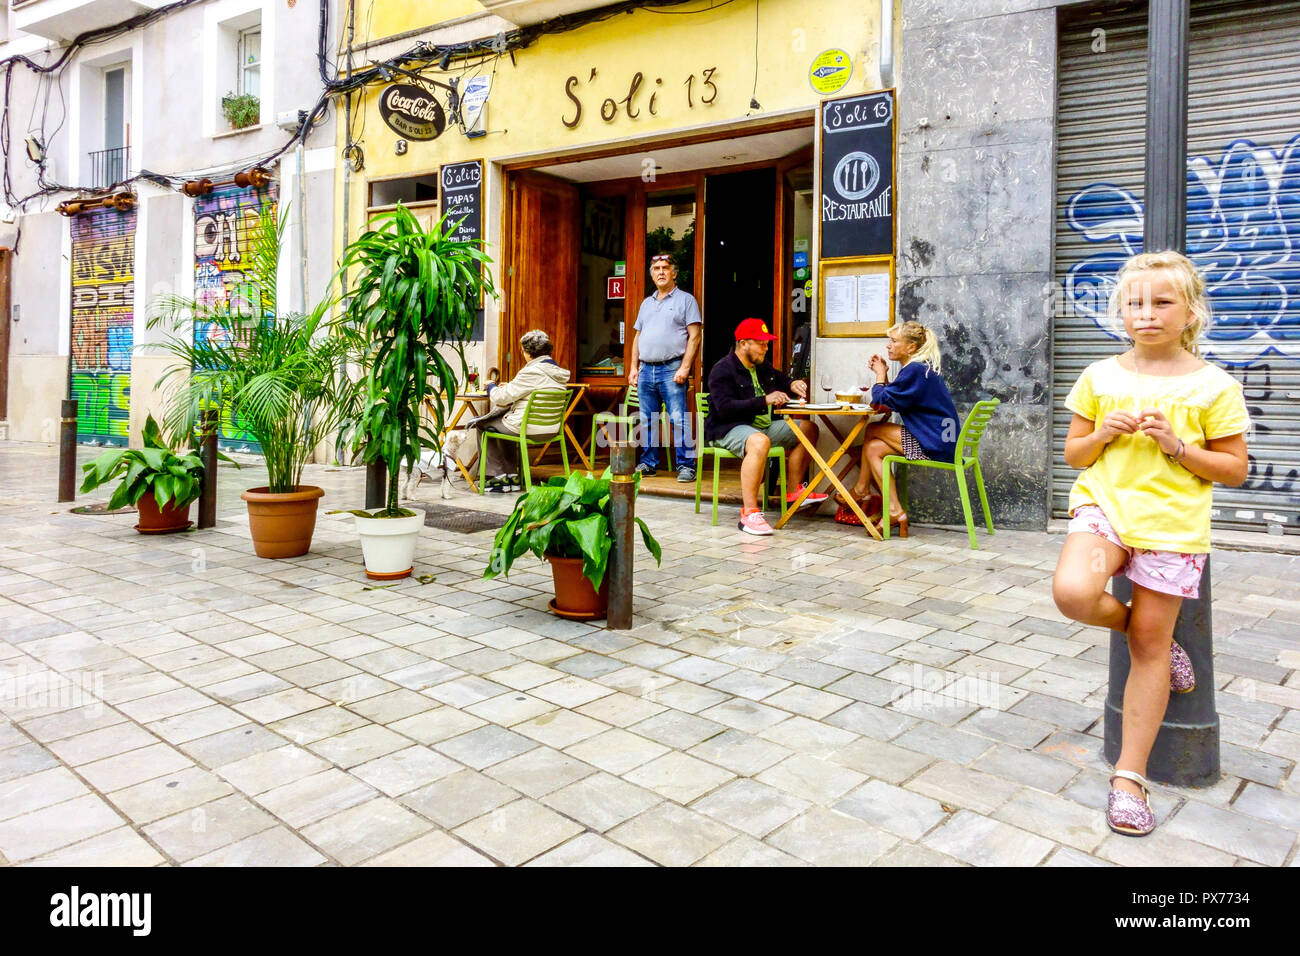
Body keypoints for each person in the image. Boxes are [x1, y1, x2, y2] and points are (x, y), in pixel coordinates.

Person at [1052, 250, 1249, 837]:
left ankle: (1128, 777)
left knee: (1149, 652)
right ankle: (1141, 629)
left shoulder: (1215, 385)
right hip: (1104, 508)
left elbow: (1235, 469)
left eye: (1162, 302)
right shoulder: (1099, 376)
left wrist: (1179, 448)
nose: (1147, 314)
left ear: (1191, 311)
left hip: (1173, 527)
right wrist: (1103, 435)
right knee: (1073, 591)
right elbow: (1073, 454)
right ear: (1120, 311)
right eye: (1134, 303)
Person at [704, 318, 829, 536]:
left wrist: (791, 383)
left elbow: (779, 378)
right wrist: (765, 401)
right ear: (743, 344)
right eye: (761, 343)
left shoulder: (761, 366)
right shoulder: (722, 370)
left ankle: (793, 491)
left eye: (767, 343)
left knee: (808, 429)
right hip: (728, 427)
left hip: (760, 427)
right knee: (760, 442)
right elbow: (724, 409)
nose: (766, 347)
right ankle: (749, 513)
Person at [842, 320, 960, 536]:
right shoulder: (919, 368)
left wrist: (879, 375)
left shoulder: (914, 369)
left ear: (911, 348)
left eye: (894, 341)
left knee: (872, 431)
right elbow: (890, 401)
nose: (888, 346)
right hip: (941, 440)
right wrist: (885, 374)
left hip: (934, 443)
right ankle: (895, 511)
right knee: (873, 448)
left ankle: (861, 490)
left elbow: (879, 397)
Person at [444, 330, 571, 491]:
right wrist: (509, 386)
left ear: (527, 352)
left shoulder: (531, 371)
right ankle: (512, 476)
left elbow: (500, 398)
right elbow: (527, 389)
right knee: (503, 425)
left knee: (484, 425)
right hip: (551, 430)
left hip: (527, 428)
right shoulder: (558, 372)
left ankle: (497, 478)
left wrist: (491, 386)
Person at [627, 252, 700, 482]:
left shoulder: (686, 300)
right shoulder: (646, 303)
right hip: (646, 369)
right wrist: (633, 367)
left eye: (665, 268)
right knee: (648, 418)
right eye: (656, 269)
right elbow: (638, 337)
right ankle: (648, 464)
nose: (660, 272)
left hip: (672, 368)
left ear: (674, 273)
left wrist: (685, 367)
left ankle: (687, 465)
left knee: (678, 418)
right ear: (652, 275)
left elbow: (695, 336)